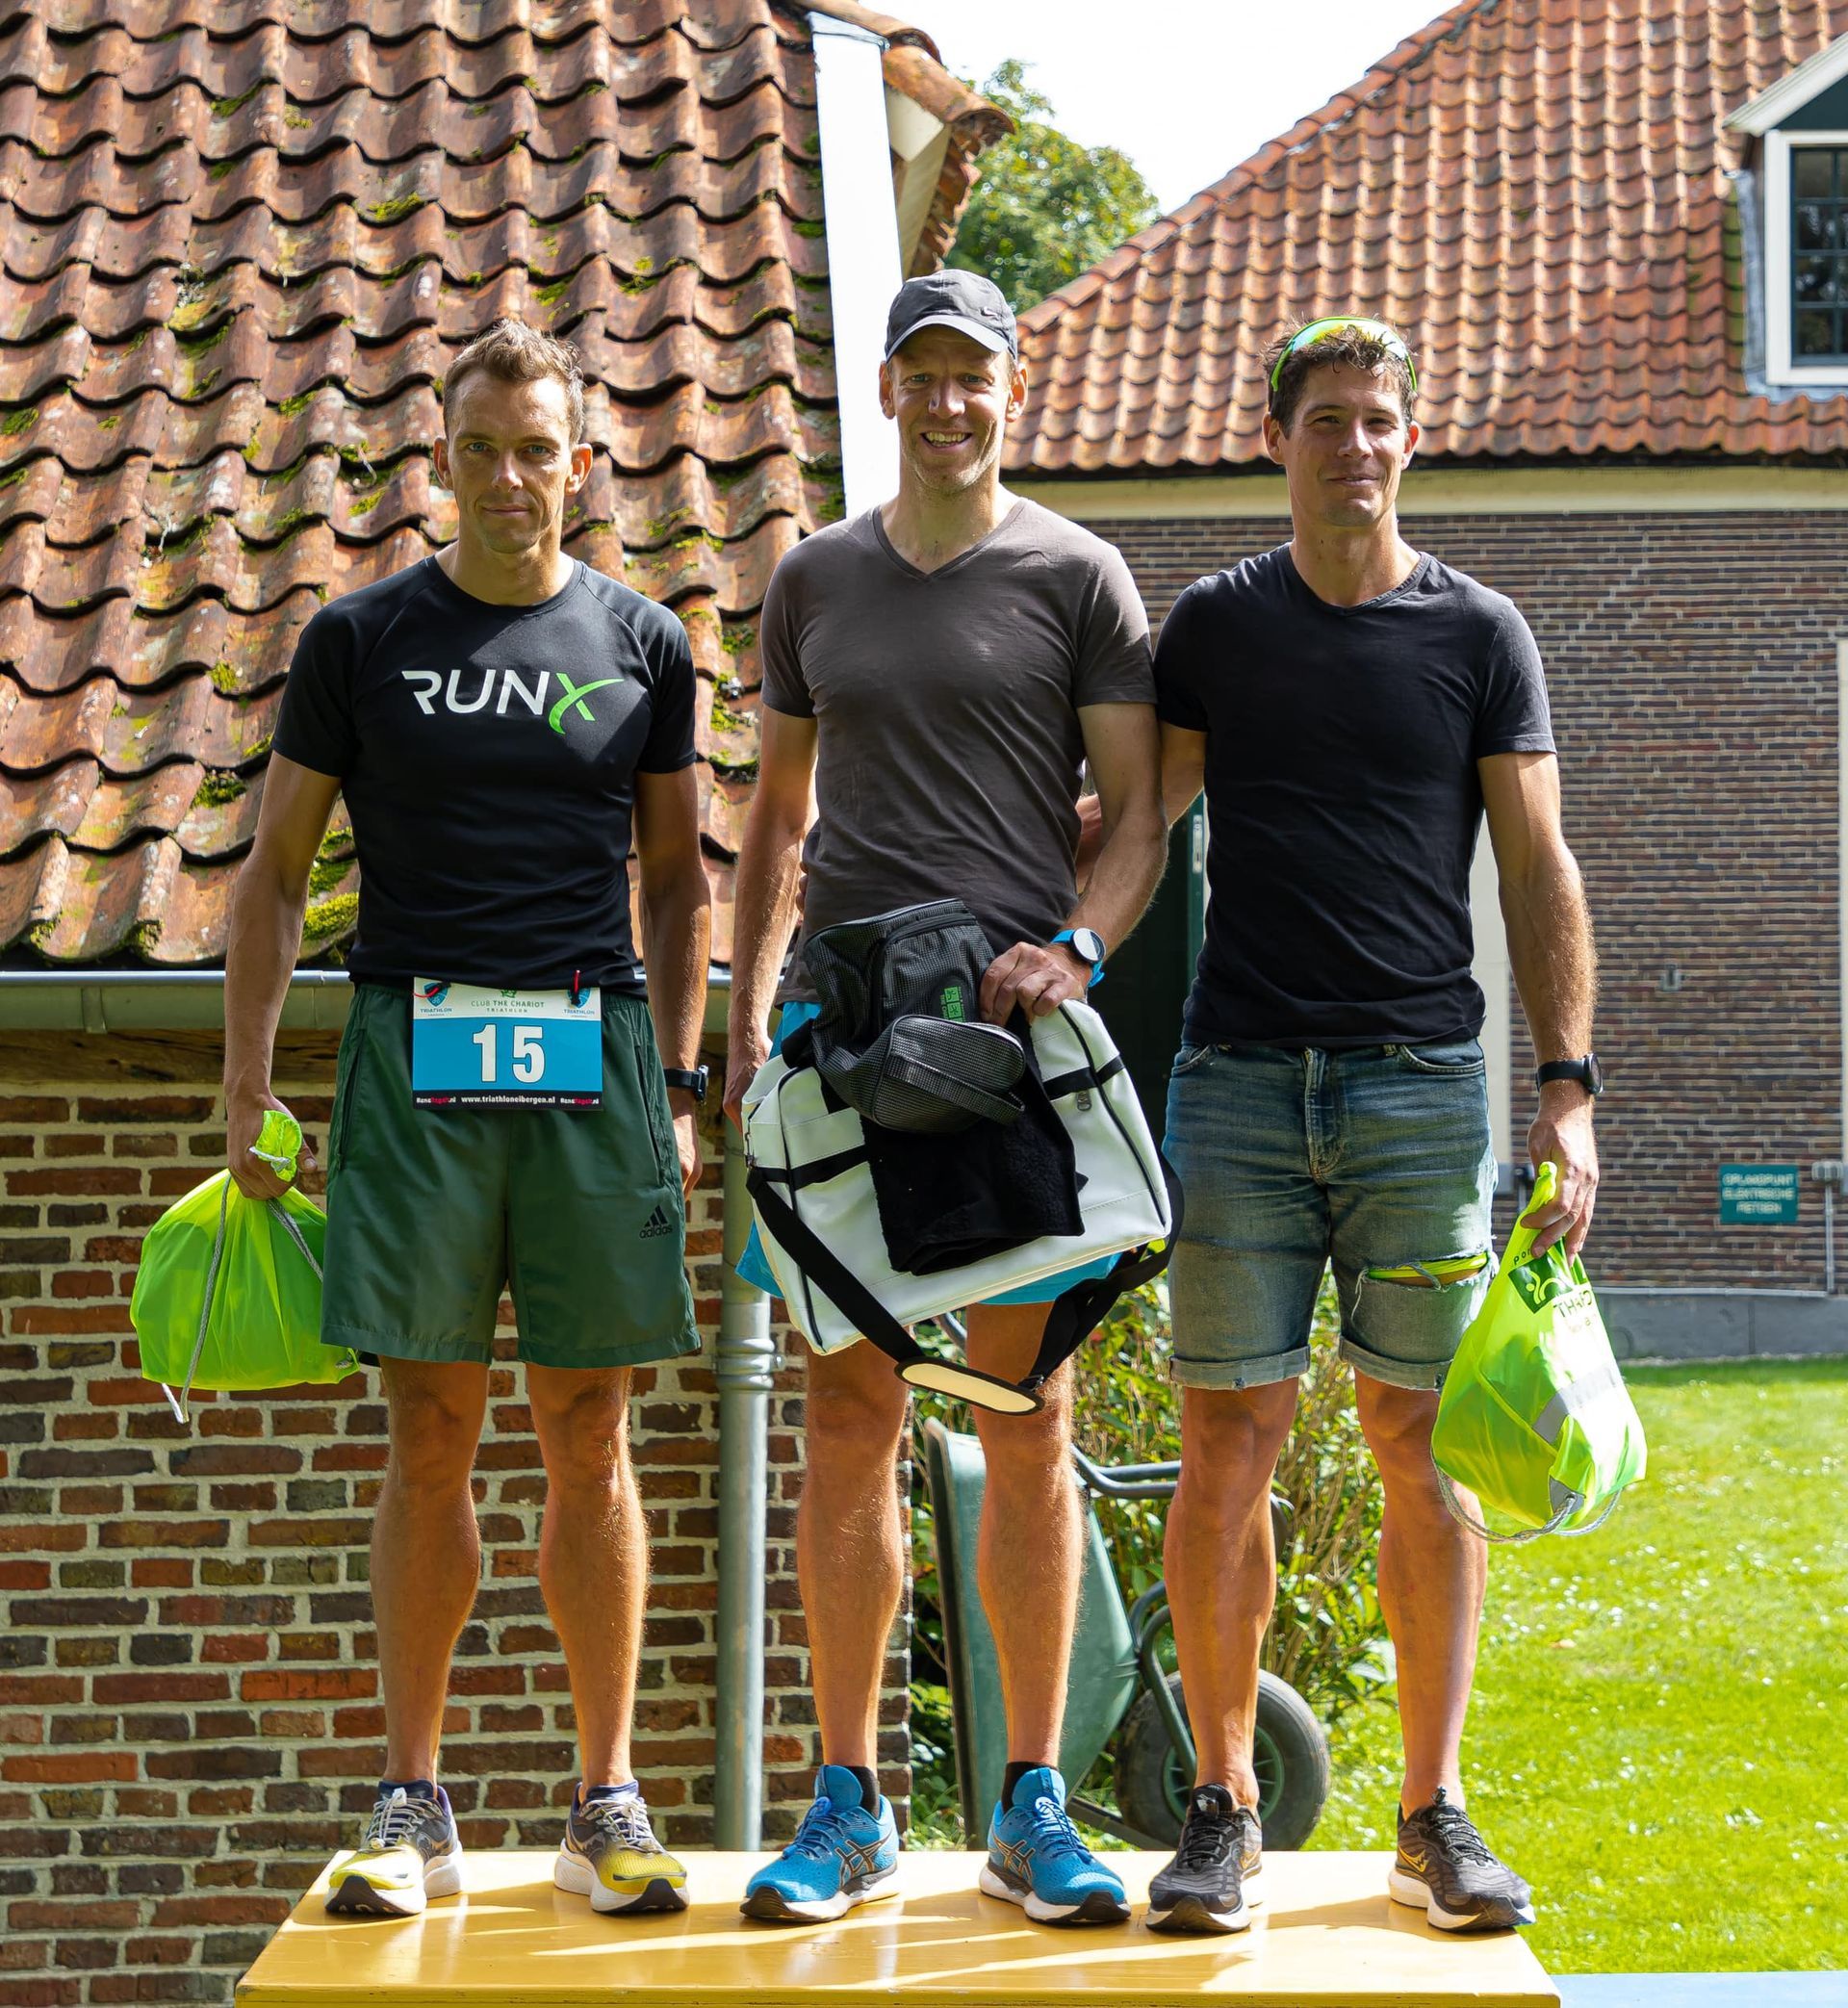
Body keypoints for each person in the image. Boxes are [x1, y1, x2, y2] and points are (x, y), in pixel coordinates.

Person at [222, 320, 712, 1921]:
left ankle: (605, 1802)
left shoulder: (645, 643)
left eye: (539, 448)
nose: (512, 476)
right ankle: (412, 1802)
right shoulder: (358, 641)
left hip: (595, 1061)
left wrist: (687, 1085)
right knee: (428, 1429)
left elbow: (673, 881)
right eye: (482, 447)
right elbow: (278, 875)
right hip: (410, 1060)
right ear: (443, 459)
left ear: (584, 462)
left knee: (593, 1432)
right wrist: (245, 1085)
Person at [1138, 318, 1598, 1937]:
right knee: (1227, 1449)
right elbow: (1140, 823)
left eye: (1380, 421)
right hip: (1241, 1089)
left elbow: (1539, 872)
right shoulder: (1212, 629)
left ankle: (1432, 1809)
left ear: (1413, 442)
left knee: (1425, 1447)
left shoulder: (1479, 634)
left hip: (1419, 1092)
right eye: (1327, 419)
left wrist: (1567, 1090)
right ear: (1280, 438)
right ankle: (1219, 1808)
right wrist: (1039, 926)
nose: (1355, 445)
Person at [723, 270, 1167, 1927]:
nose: (949, 402)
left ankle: (1032, 1802)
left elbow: (1137, 815)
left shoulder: (1080, 573)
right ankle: (848, 1802)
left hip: (1005, 1049)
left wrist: (1078, 944)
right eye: (922, 374)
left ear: (1011, 387)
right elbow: (775, 817)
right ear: (889, 388)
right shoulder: (814, 579)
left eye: (974, 375)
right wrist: (749, 1003)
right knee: (848, 1416)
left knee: (1027, 1411)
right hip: (840, 1047)